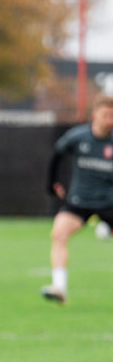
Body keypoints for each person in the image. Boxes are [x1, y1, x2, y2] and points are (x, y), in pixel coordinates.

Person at [41, 95, 113, 305]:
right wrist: (51, 184)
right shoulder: (77, 137)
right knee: (59, 234)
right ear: (94, 115)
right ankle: (59, 288)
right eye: (106, 115)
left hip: (109, 202)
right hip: (80, 201)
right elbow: (56, 155)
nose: (109, 120)